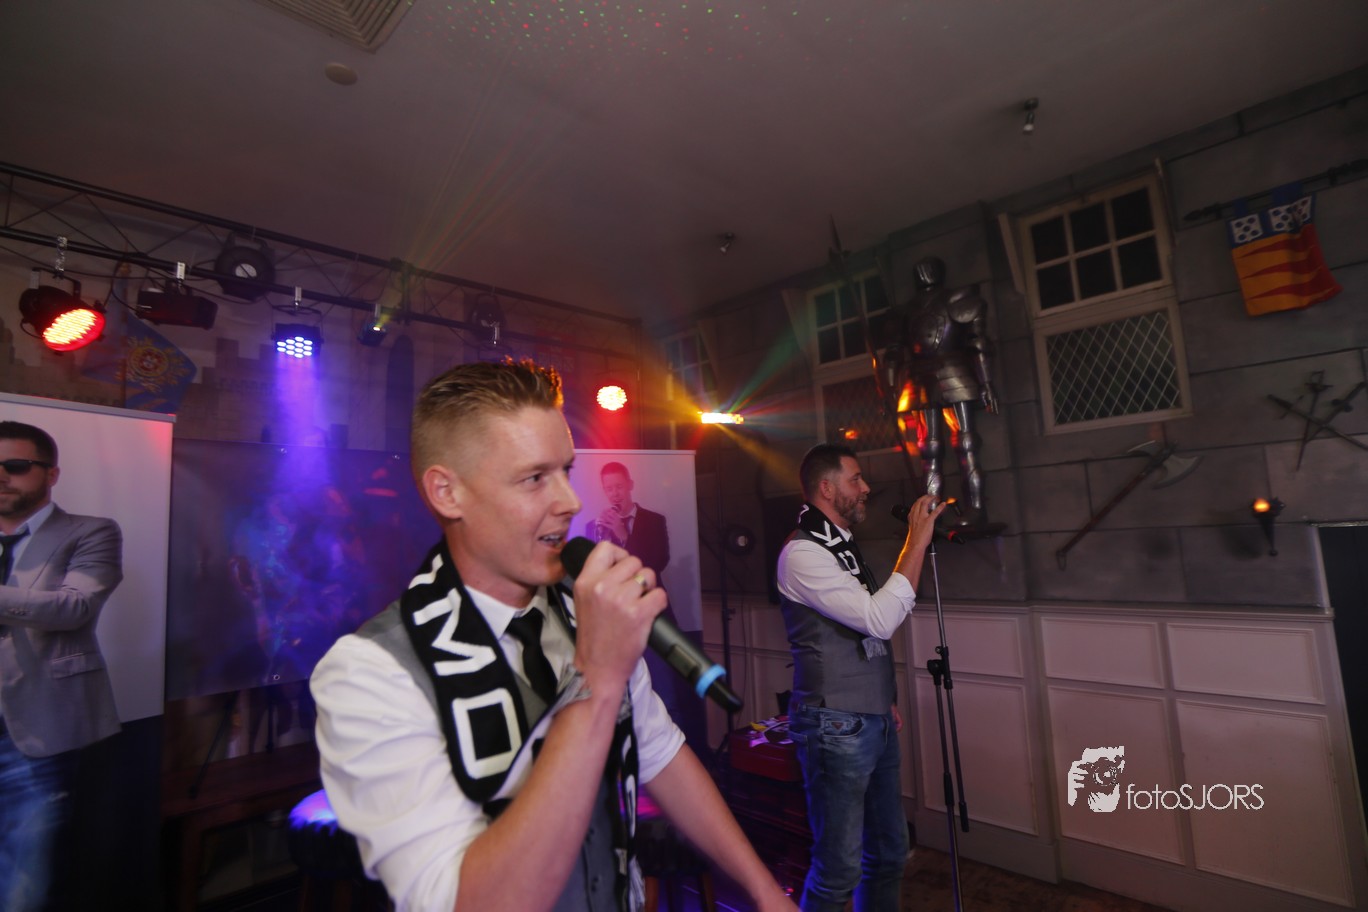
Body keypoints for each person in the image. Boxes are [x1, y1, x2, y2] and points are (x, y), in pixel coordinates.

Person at [311, 359, 795, 912]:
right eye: (534, 478)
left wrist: (763, 892)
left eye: (566, 469)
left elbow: (661, 755)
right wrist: (599, 681)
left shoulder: (584, 611)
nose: (570, 501)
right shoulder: (371, 673)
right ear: (447, 492)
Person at [776, 443, 943, 912]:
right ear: (826, 489)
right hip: (834, 724)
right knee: (839, 869)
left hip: (872, 716)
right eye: (855, 479)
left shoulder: (841, 547)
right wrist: (916, 541)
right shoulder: (803, 553)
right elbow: (878, 620)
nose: (866, 487)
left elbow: (865, 632)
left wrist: (883, 697)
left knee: (889, 853)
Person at [0, 421, 124, 912]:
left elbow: (74, 607)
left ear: (51, 474)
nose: (2, 477)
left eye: (15, 466)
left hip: (36, 726)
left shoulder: (90, 531)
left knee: (25, 877)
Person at [885, 256, 998, 527]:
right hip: (919, 379)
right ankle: (931, 514)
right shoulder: (906, 312)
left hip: (953, 370)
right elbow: (893, 352)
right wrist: (891, 389)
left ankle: (976, 508)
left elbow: (977, 343)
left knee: (966, 443)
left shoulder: (959, 300)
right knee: (929, 449)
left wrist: (986, 383)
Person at [586, 462, 669, 577]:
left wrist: (624, 536)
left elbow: (658, 564)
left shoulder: (655, 521)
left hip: (645, 587)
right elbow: (592, 571)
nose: (615, 494)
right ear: (604, 490)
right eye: (609, 489)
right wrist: (600, 535)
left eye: (619, 487)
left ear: (630, 485)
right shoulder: (594, 526)